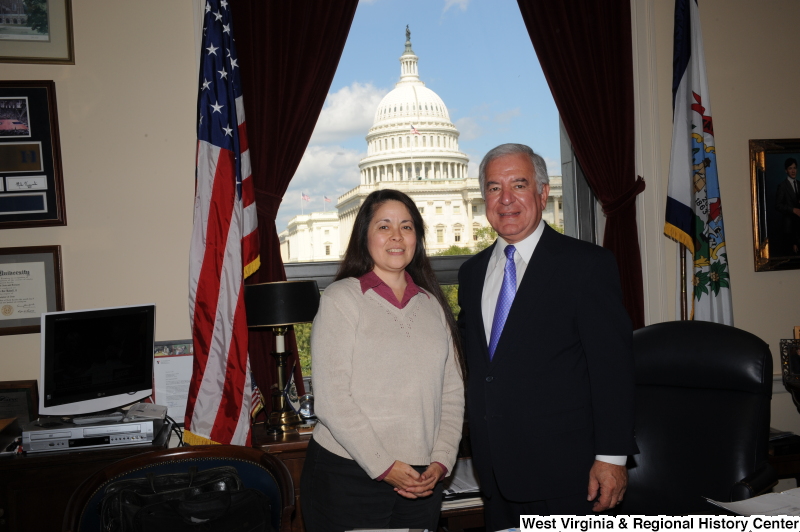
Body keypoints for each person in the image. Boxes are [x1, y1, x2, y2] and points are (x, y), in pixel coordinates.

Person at [457, 143, 637, 528]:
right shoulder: (471, 275)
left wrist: (613, 458)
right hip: (495, 476)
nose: (505, 199)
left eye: (518, 185)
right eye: (493, 188)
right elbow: (483, 369)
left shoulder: (587, 266)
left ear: (542, 193)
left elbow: (613, 370)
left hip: (570, 478)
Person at [300, 189, 465, 532]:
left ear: (417, 239)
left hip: (422, 480)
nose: (396, 236)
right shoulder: (341, 299)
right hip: (350, 475)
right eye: (384, 226)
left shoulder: (432, 305)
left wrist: (442, 460)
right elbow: (332, 401)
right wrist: (385, 466)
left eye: (406, 227)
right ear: (364, 236)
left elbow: (452, 393)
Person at [776, 157, 800, 255]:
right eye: (790, 168)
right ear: (786, 170)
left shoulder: (799, 184)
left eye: (794, 168)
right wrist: (793, 210)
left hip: (799, 226)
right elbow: (777, 205)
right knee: (790, 256)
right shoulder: (782, 186)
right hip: (789, 227)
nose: (793, 170)